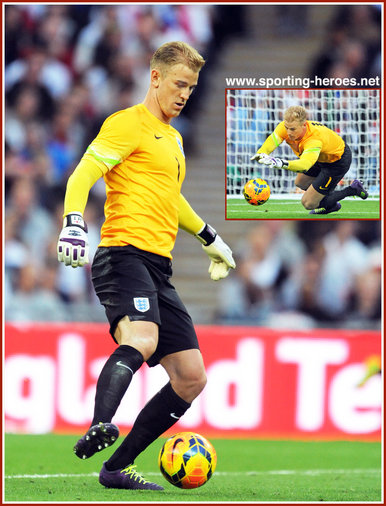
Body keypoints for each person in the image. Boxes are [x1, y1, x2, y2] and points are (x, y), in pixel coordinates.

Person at [57, 41, 235, 490]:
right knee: (143, 336)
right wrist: (73, 221)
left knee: (192, 377)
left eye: (192, 88)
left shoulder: (173, 138)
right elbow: (84, 173)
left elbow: (169, 199)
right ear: (155, 78)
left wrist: (210, 238)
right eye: (179, 84)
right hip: (122, 255)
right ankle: (99, 422)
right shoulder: (126, 124)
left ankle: (115, 468)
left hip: (159, 265)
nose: (184, 94)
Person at [250, 105, 369, 215]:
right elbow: (272, 141)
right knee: (300, 183)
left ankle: (353, 189)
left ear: (304, 125)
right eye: (286, 128)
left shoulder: (313, 140)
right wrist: (261, 154)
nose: (288, 133)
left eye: (292, 129)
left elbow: (305, 165)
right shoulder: (285, 127)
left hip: (336, 161)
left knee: (308, 203)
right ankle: (330, 204)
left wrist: (281, 163)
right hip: (319, 157)